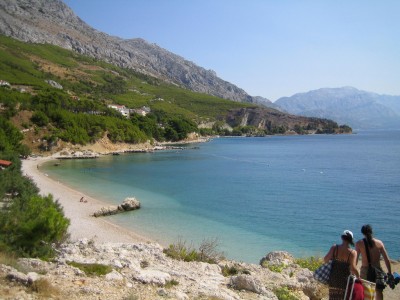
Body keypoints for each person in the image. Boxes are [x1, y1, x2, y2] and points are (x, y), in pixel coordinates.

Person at [356, 224, 392, 300]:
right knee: (379, 292)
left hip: (365, 271)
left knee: (365, 292)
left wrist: (353, 271)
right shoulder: (380, 243)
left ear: (362, 233)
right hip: (378, 270)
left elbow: (355, 260)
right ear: (372, 232)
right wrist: (390, 272)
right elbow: (387, 260)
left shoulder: (359, 243)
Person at [324, 230, 359, 300]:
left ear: (342, 238)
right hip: (345, 279)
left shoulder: (334, 247)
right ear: (351, 240)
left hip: (333, 277)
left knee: (332, 296)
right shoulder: (353, 252)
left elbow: (325, 259)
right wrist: (358, 276)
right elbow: (353, 268)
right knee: (344, 297)